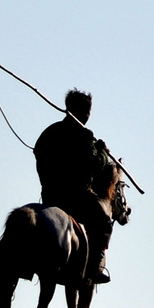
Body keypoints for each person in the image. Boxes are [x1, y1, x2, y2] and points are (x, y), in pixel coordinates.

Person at [33, 88, 113, 284]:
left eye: (89, 111)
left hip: (50, 196)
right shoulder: (85, 136)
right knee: (104, 223)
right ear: (76, 109)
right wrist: (102, 152)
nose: (87, 115)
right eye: (86, 110)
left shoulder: (49, 132)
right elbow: (95, 165)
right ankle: (93, 268)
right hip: (76, 197)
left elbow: (38, 154)